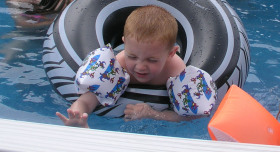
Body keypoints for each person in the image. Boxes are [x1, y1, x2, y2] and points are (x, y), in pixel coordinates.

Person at [56, 5, 195, 128]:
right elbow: (85, 102)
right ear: (124, 43)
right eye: (132, 56)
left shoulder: (176, 71)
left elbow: (189, 116)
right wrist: (78, 117)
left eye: (152, 60)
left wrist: (153, 114)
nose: (140, 67)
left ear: (171, 53)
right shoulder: (118, 65)